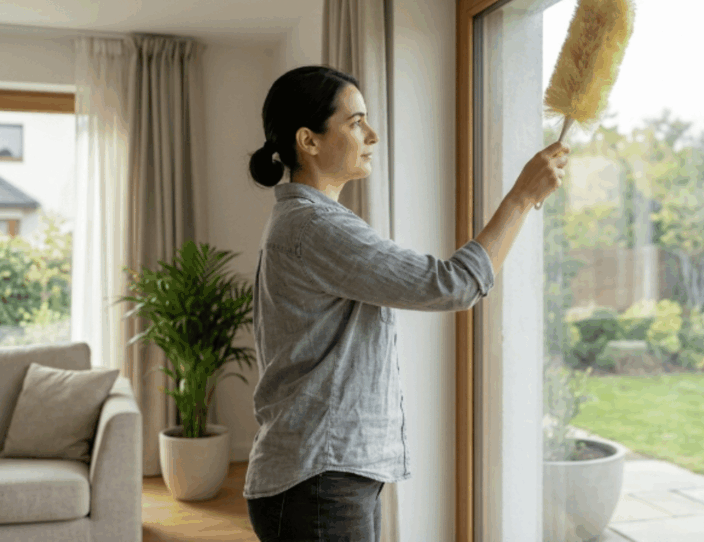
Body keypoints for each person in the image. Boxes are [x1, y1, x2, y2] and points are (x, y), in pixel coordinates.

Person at [243, 65, 569, 541]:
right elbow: (454, 284)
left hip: (322, 476)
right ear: (308, 141)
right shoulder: (316, 227)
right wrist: (521, 198)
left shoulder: (304, 222)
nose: (372, 135)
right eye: (356, 122)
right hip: (319, 482)